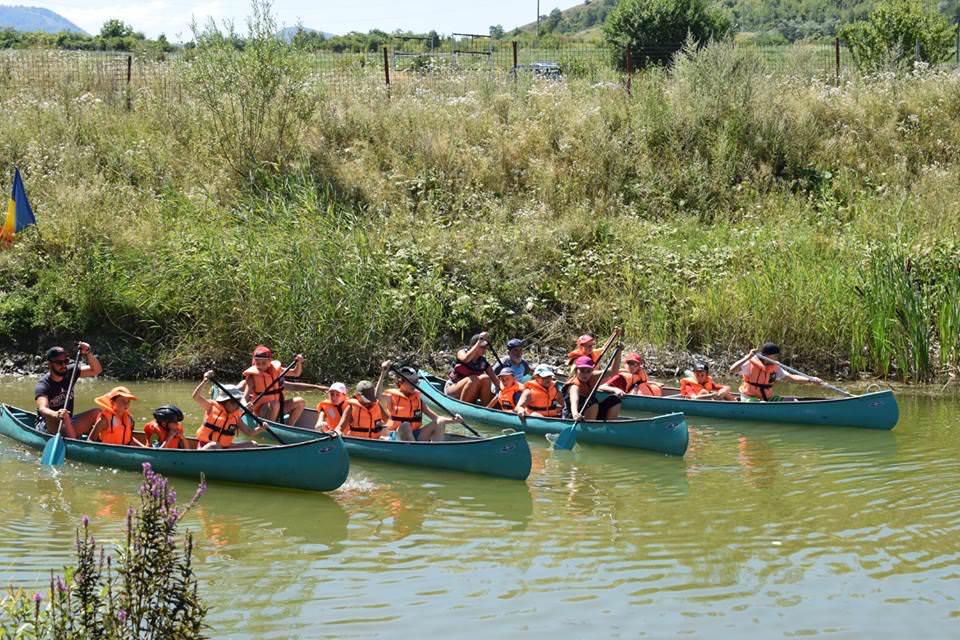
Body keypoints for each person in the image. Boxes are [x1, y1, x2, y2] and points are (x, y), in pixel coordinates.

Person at [34, 342, 103, 438]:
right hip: (48, 426)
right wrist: (56, 414)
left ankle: (94, 440)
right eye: (59, 362)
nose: (63, 365)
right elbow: (42, 409)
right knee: (54, 418)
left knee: (97, 413)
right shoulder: (43, 385)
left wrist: (87, 353)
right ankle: (73, 440)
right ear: (49, 364)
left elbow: (96, 370)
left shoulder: (71, 371)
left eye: (65, 361)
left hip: (68, 422)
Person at [240, 346, 314, 426]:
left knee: (300, 401)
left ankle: (288, 428)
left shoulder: (276, 369)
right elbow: (244, 398)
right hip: (261, 411)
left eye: (264, 363)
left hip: (278, 407)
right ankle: (269, 427)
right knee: (275, 404)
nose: (261, 366)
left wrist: (299, 363)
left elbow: (296, 373)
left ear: (269, 361)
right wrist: (245, 405)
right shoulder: (252, 377)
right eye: (258, 363)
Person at [385, 366, 464, 442]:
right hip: (397, 436)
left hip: (415, 435)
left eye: (416, 381)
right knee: (406, 425)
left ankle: (434, 450)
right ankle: (416, 451)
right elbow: (375, 398)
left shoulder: (418, 399)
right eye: (411, 382)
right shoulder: (391, 397)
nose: (415, 385)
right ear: (401, 382)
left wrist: (454, 420)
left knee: (440, 422)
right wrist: (382, 373)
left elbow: (436, 418)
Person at [192, 371, 266, 449]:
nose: (236, 405)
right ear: (224, 402)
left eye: (237, 402)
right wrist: (205, 381)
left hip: (225, 448)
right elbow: (196, 397)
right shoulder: (211, 407)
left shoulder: (236, 416)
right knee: (215, 445)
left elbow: (249, 432)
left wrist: (261, 428)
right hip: (206, 446)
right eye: (233, 402)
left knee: (253, 444)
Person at [730, 343, 822, 402]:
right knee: (762, 404)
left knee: (793, 400)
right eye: (775, 356)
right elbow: (732, 369)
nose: (777, 358)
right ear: (766, 356)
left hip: (767, 398)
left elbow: (792, 377)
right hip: (749, 398)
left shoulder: (774, 367)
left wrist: (810, 379)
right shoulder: (750, 364)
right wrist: (748, 357)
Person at [332, 361, 391, 438]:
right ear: (357, 395)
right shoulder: (351, 407)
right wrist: (335, 433)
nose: (368, 402)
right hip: (357, 442)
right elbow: (340, 427)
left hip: (375, 441)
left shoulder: (376, 405)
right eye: (366, 399)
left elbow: (388, 420)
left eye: (370, 399)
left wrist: (383, 426)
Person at [444, 331, 501, 405]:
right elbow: (466, 359)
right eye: (482, 347)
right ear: (473, 346)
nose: (484, 349)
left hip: (471, 394)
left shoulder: (483, 362)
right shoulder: (462, 352)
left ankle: (486, 408)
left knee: (485, 378)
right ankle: (462, 407)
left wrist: (511, 387)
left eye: (485, 347)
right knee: (474, 379)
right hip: (453, 389)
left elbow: (496, 381)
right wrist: (479, 342)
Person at [563, 356, 623, 421]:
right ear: (576, 370)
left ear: (592, 371)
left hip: (591, 412)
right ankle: (590, 426)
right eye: (582, 370)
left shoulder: (593, 377)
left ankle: (609, 426)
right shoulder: (574, 386)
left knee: (614, 400)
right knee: (592, 402)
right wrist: (575, 414)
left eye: (588, 371)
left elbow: (613, 372)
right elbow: (574, 401)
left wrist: (618, 351)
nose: (585, 374)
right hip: (574, 416)